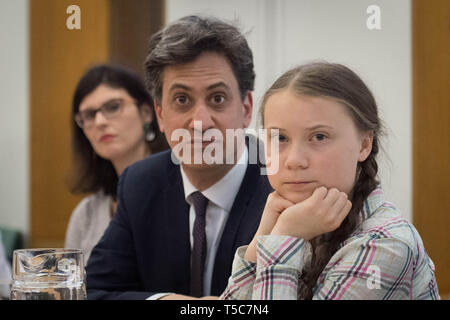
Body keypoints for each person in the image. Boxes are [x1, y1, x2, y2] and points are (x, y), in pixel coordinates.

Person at [85, 15, 272, 300]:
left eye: (217, 98)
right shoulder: (140, 182)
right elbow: (94, 291)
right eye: (182, 100)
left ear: (246, 109)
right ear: (160, 114)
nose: (200, 122)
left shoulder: (282, 181)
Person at [220, 62, 440, 300]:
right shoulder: (304, 219)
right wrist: (262, 238)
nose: (294, 161)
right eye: (280, 137)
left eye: (319, 136)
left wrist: (284, 237)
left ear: (364, 145)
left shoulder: (384, 246)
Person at [65, 64, 168, 265]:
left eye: (113, 107)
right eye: (89, 115)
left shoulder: (184, 192)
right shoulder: (86, 213)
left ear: (147, 112)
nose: (100, 121)